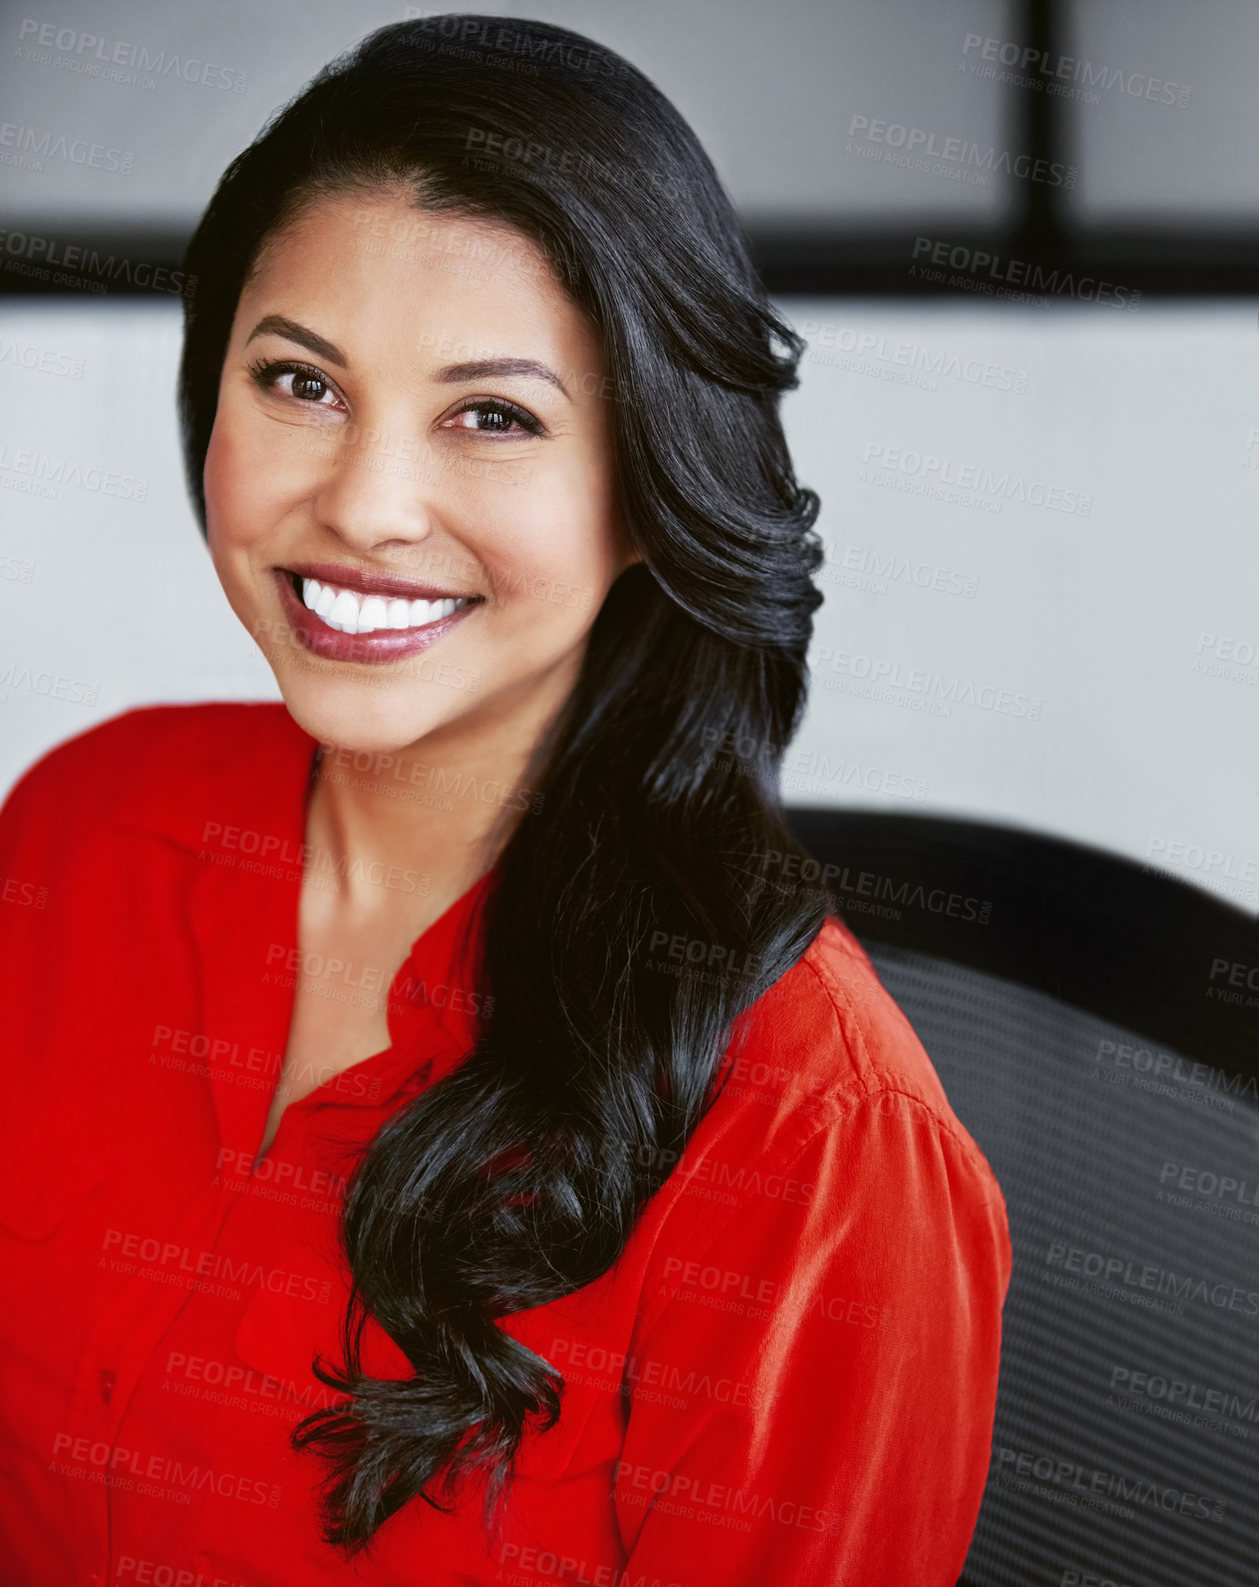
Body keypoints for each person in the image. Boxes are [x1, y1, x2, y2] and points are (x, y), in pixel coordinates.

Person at [0, 15, 1010, 1584]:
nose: (363, 507)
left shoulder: (818, 1144)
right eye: (297, 384)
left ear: (649, 483)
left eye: (494, 416)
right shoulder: (83, 823)